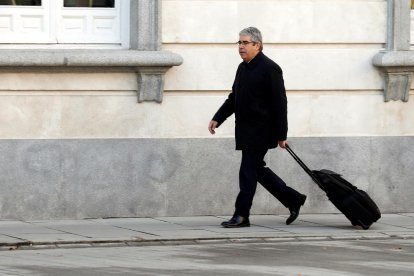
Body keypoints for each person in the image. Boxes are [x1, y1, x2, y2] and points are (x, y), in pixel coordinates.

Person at [208, 27, 307, 228]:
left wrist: (281, 134)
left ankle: (242, 215)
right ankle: (293, 199)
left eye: (245, 43)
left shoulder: (270, 68)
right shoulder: (242, 68)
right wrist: (218, 118)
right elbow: (234, 98)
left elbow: (280, 103)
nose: (241, 47)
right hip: (245, 130)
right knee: (256, 170)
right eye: (239, 43)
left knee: (247, 171)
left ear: (257, 45)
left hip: (261, 131)